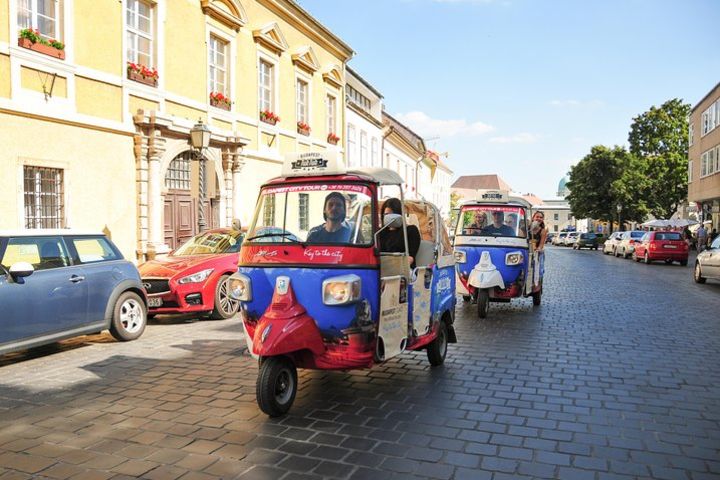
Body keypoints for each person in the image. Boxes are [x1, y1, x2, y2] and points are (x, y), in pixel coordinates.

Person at [378, 198, 421, 269]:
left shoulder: (411, 230)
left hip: (404, 269)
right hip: (381, 269)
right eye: (386, 214)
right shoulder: (379, 232)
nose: (390, 218)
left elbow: (410, 258)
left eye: (392, 214)